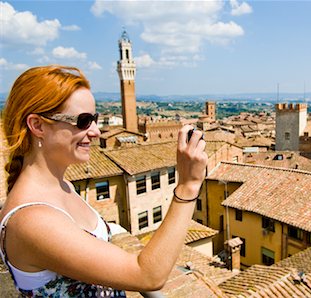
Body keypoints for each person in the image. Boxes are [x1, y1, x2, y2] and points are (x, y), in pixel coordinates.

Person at [0, 65, 207, 297]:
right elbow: (148, 275)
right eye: (83, 121)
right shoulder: (32, 221)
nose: (96, 131)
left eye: (95, 119)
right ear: (37, 125)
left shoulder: (63, 187)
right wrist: (188, 185)